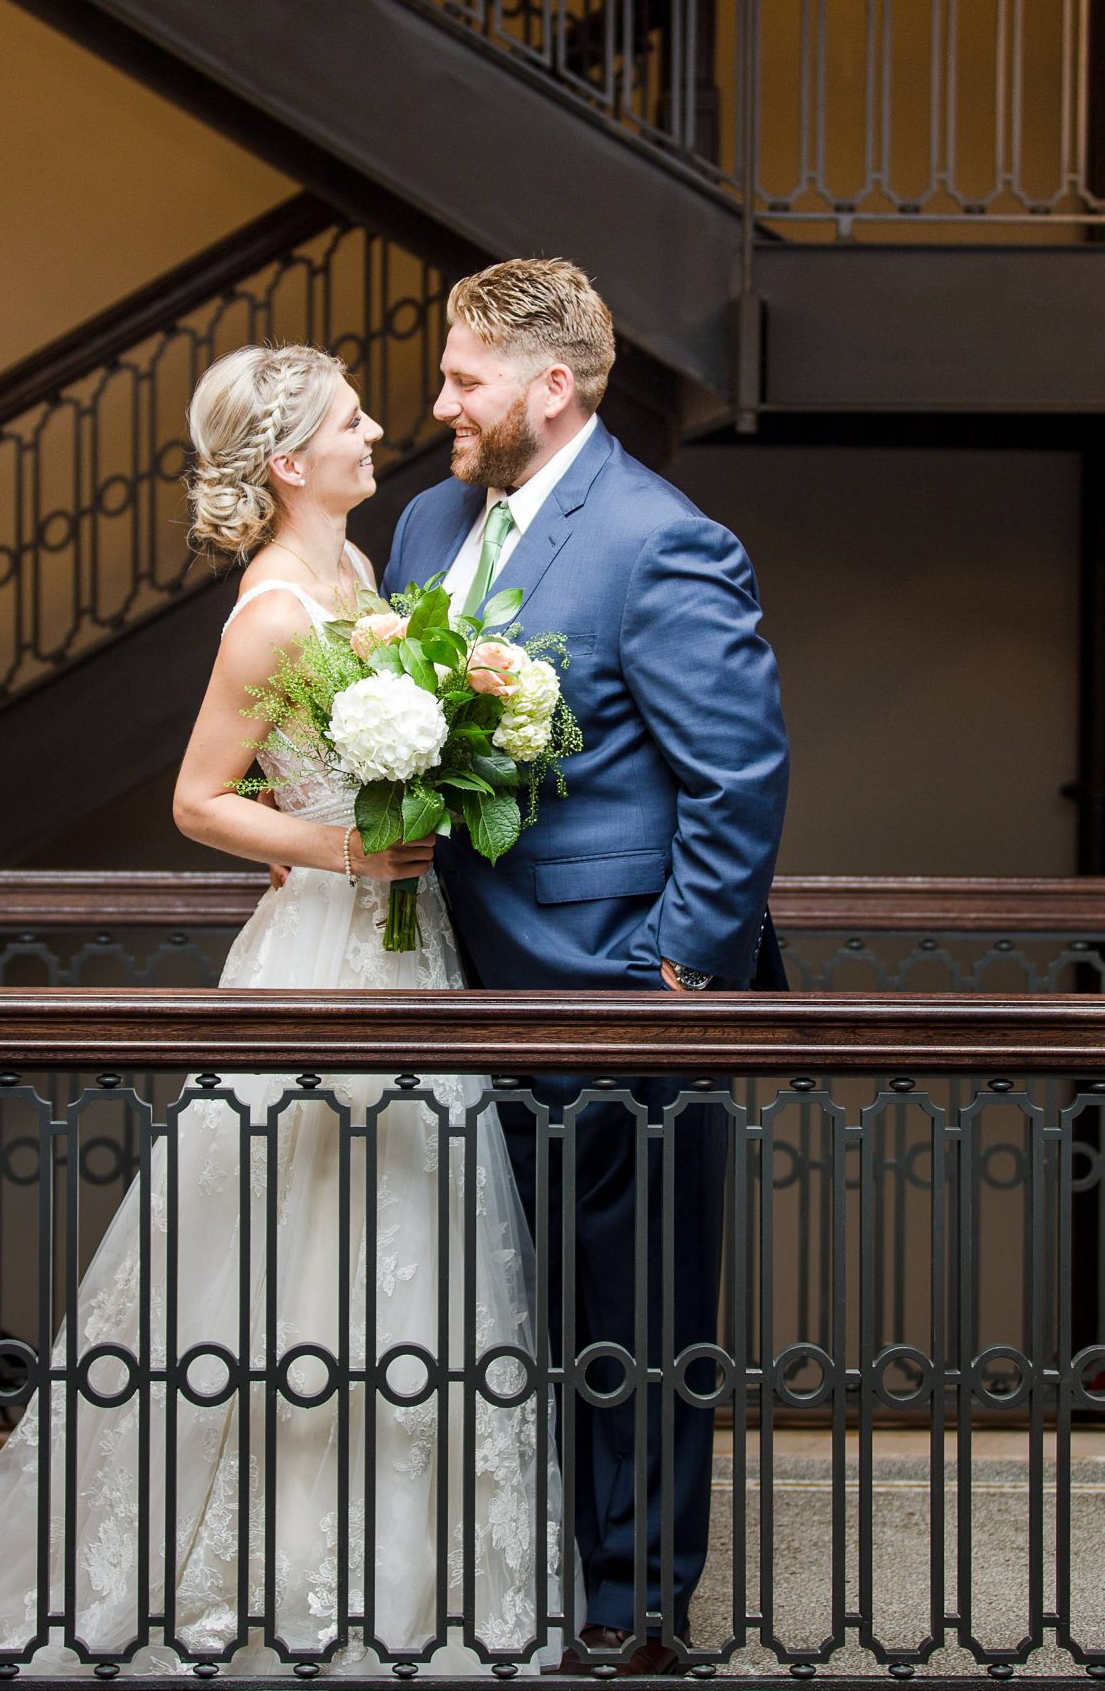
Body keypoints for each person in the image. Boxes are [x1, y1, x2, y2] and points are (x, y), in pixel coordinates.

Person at [0, 343, 563, 1675]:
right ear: (288, 463)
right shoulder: (268, 610)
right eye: (348, 419)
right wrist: (338, 848)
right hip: (321, 954)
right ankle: (241, 1558)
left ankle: (397, 1563)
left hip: (402, 946)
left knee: (398, 1242)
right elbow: (199, 799)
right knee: (275, 1254)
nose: (376, 428)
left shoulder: (362, 578)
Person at [383, 261, 790, 1674]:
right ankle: (514, 1572)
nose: (438, 405)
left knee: (635, 1314)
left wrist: (676, 973)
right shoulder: (431, 521)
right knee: (500, 1303)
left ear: (549, 388)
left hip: (616, 989)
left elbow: (734, 780)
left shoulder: (660, 539)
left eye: (463, 380)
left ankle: (633, 1603)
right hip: (454, 982)